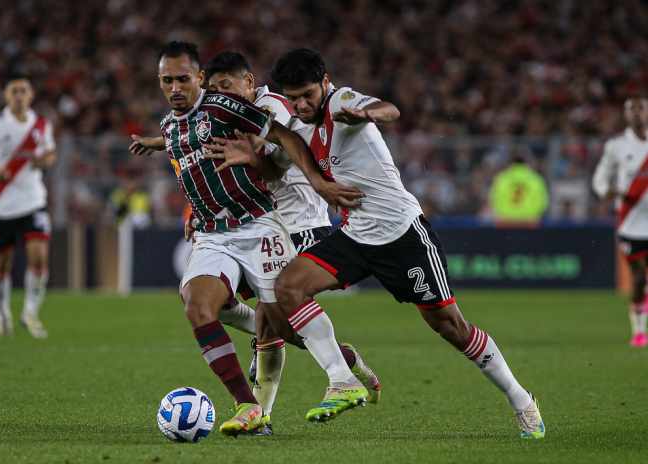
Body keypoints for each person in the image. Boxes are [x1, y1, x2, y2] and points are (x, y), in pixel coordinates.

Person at [207, 48, 545, 439]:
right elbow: (281, 156)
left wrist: (370, 114)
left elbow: (390, 110)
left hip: (403, 235)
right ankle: (342, 380)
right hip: (355, 236)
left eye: (308, 96)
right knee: (288, 286)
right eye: (293, 97)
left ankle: (522, 400)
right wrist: (252, 157)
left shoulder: (343, 101)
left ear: (325, 83)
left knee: (450, 326)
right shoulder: (297, 127)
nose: (300, 105)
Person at [131, 50, 381, 435]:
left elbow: (285, 139)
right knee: (202, 306)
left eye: (183, 79)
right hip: (216, 234)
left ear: (200, 78)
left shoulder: (243, 107)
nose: (176, 87)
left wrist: (320, 183)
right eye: (167, 81)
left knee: (277, 323)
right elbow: (189, 147)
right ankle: (249, 405)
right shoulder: (171, 124)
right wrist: (192, 204)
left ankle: (340, 368)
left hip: (272, 224)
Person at [0, 76, 56, 339]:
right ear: (7, 95)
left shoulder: (41, 125)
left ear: (31, 95)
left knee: (39, 256)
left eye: (23, 90)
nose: (19, 95)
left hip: (33, 201)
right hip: (1, 205)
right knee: (1, 265)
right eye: (14, 90)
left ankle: (30, 312)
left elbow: (50, 154)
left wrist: (43, 161)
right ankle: (2, 314)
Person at [592, 97, 648, 347]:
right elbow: (600, 178)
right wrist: (607, 191)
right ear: (626, 114)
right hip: (630, 221)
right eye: (632, 109)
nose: (637, 113)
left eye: (641, 108)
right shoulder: (616, 146)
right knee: (637, 278)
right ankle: (639, 331)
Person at [489, 155, 548, 225]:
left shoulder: (502, 178)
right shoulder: (536, 179)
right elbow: (543, 202)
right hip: (529, 221)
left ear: (511, 164)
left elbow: (493, 200)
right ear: (526, 164)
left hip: (506, 221)